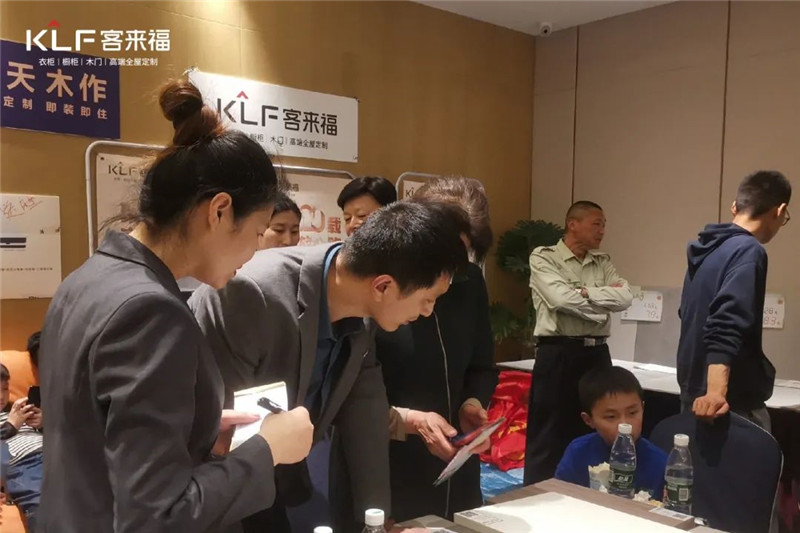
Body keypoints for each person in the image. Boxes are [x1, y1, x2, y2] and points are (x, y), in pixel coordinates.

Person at [37, 78, 313, 533]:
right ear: (219, 211)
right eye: (258, 232)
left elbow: (94, 429)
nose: (254, 253)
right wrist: (267, 450)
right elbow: (158, 517)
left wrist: (197, 426)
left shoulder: (88, 278)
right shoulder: (151, 311)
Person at [189, 201, 469, 531]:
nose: (427, 312)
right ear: (383, 286)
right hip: (205, 490)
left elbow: (364, 408)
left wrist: (376, 522)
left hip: (277, 478)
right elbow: (220, 434)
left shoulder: (364, 307)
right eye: (428, 299)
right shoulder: (250, 294)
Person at [376, 177, 498, 521]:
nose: (451, 268)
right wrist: (412, 421)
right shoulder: (381, 287)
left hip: (456, 457)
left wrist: (472, 403)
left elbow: (482, 364)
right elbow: (352, 396)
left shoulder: (469, 281)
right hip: (389, 458)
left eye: (462, 255)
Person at [524, 201, 633, 485]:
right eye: (597, 224)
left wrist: (583, 293)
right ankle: (537, 494)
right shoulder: (544, 257)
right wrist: (600, 304)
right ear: (573, 224)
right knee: (549, 431)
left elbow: (625, 297)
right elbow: (559, 299)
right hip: (558, 352)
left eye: (604, 225)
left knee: (596, 426)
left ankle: (589, 491)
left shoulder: (602, 261)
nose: (602, 231)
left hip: (597, 353)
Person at [677, 170, 791, 432]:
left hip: (692, 393)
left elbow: (687, 313)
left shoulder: (706, 250)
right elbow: (727, 321)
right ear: (780, 210)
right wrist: (716, 393)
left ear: (734, 207)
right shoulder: (748, 250)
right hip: (727, 403)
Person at [555, 366, 667, 499]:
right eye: (611, 417)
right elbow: (558, 498)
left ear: (643, 408)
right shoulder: (578, 452)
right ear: (589, 420)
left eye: (632, 413)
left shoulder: (660, 463)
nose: (624, 424)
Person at [1, 363, 43, 530]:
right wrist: (10, 426)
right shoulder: (13, 418)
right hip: (24, 463)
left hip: (54, 453)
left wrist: (43, 423)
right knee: (41, 501)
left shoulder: (17, 410)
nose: (1, 396)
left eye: (5, 389)